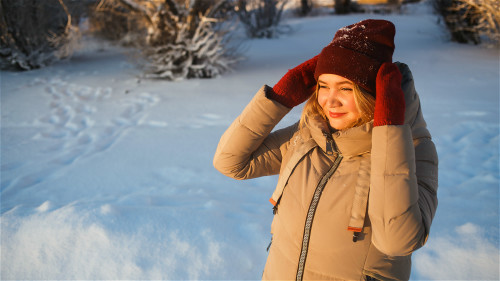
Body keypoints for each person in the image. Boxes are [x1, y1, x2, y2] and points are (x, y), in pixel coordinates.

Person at [213, 19, 438, 281]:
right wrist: (280, 98)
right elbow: (231, 162)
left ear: (376, 94)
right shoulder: (310, 136)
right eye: (323, 86)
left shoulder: (413, 148)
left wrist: (389, 129)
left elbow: (397, 241)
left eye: (346, 88)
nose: (330, 101)